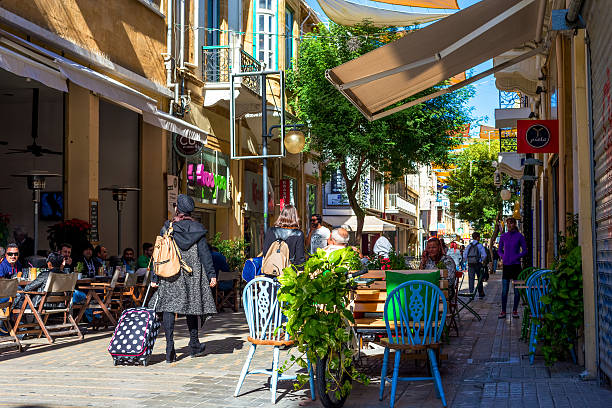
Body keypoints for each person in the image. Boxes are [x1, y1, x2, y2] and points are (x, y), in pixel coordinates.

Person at [152, 194, 217, 363]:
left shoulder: (168, 227)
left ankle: (169, 348)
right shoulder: (198, 229)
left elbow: (159, 253)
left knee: (168, 307)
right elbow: (204, 253)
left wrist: (155, 276)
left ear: (177, 209)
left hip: (170, 272)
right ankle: (194, 345)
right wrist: (211, 274)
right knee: (192, 307)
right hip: (192, 273)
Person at [498, 217, 527, 319]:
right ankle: (503, 311)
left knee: (517, 291)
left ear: (515, 224)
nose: (509, 225)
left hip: (516, 266)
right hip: (506, 266)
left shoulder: (520, 236)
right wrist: (503, 256)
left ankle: (515, 310)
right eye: (508, 224)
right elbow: (499, 250)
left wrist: (516, 256)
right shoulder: (503, 236)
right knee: (504, 290)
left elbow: (525, 251)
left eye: (511, 223)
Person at [463, 232, 487, 298]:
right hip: (477, 264)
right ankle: (480, 294)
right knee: (479, 278)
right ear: (477, 237)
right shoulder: (480, 245)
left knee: (471, 279)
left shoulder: (469, 245)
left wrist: (467, 260)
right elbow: (484, 255)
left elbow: (464, 255)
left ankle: (471, 293)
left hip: (470, 264)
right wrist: (481, 260)